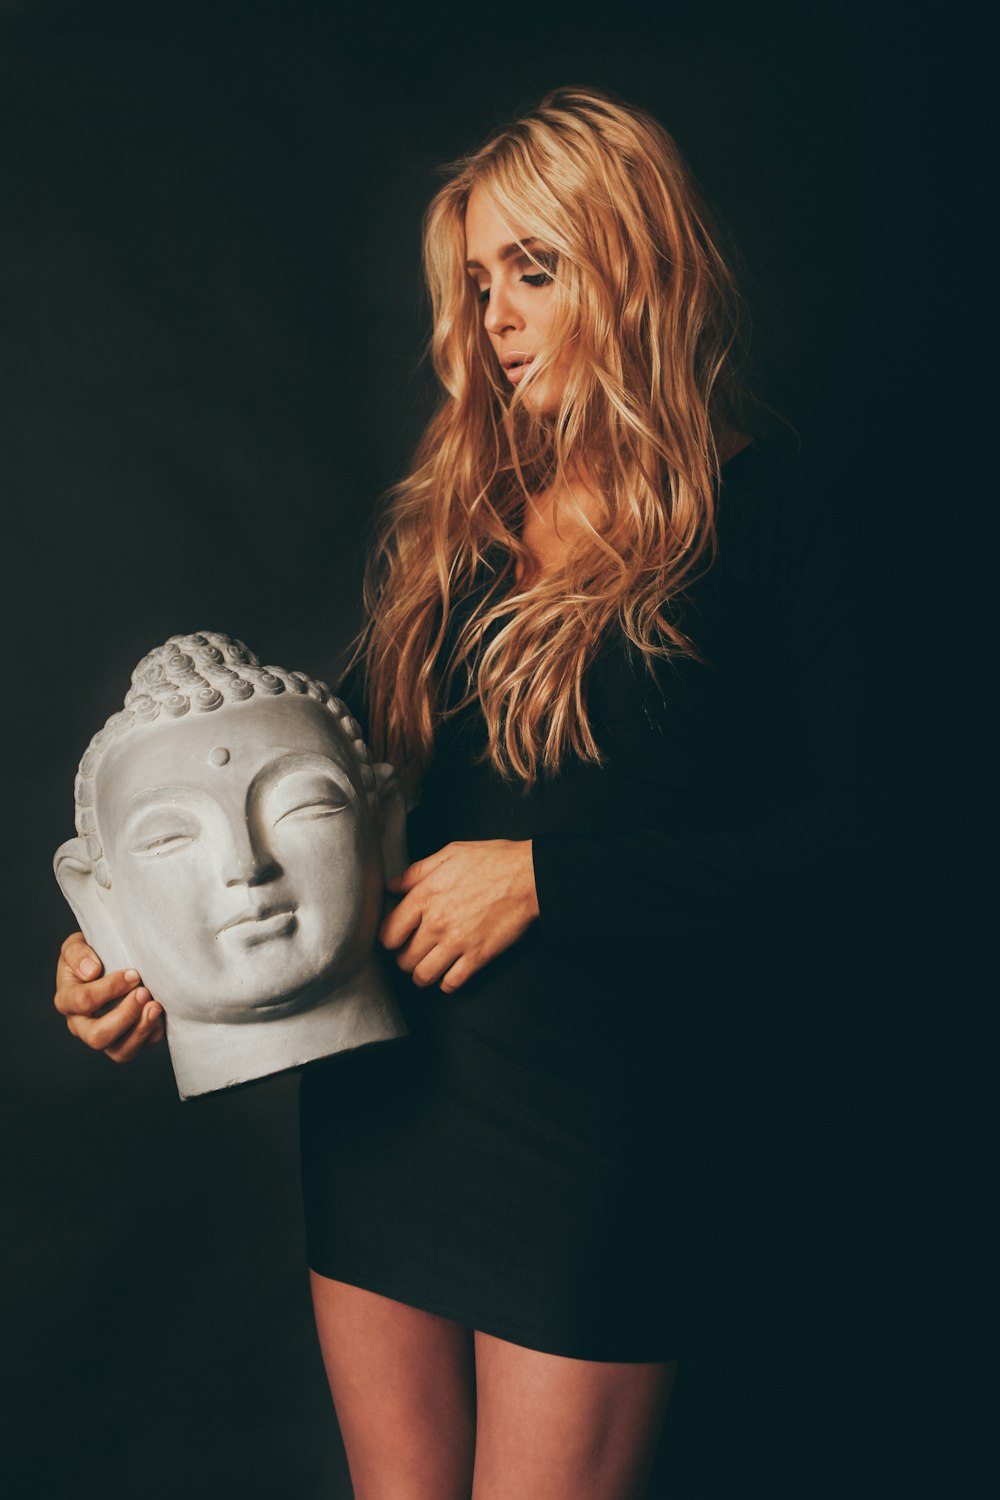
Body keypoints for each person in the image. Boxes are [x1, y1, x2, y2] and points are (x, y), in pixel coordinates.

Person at [54, 87, 855, 1499]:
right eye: (480, 282)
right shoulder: (465, 529)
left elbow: (884, 852)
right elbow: (322, 795)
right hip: (388, 1110)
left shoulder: (782, 521)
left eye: (534, 273)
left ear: (641, 265)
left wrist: (547, 879)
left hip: (600, 1136)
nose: (494, 318)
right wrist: (128, 951)